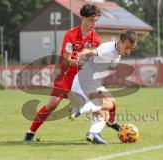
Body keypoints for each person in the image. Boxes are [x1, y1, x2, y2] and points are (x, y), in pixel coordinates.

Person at [24, 4, 118, 142]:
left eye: (96, 20)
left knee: (100, 103)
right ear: (83, 18)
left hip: (85, 79)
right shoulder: (71, 35)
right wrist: (83, 62)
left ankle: (97, 132)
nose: (94, 23)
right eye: (92, 20)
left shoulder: (96, 39)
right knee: (52, 105)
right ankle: (30, 133)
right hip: (66, 76)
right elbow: (67, 60)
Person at [69, 30, 137, 144]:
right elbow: (93, 52)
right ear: (120, 42)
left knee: (111, 104)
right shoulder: (108, 49)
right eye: (127, 47)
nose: (128, 51)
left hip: (91, 83)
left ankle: (93, 133)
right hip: (84, 83)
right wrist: (85, 52)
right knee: (107, 104)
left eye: (131, 49)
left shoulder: (117, 52)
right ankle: (80, 110)